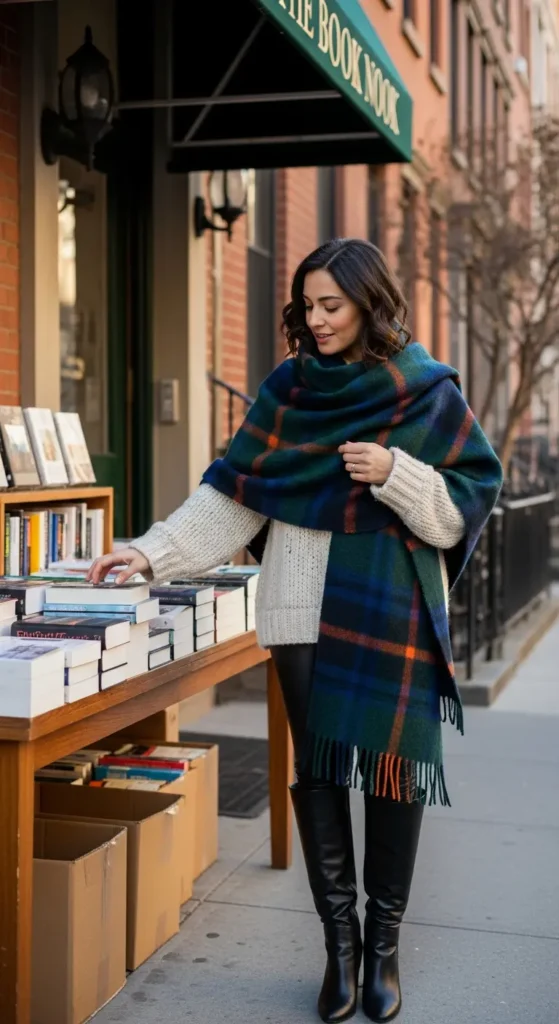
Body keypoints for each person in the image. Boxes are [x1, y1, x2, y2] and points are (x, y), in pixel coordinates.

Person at [89, 238, 503, 1024]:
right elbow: (234, 497)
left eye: (330, 305)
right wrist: (148, 553)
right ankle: (338, 948)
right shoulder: (288, 390)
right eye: (306, 305)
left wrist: (396, 473)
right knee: (318, 776)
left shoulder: (426, 392)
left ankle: (383, 948)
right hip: (299, 607)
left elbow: (456, 515)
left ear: (368, 303)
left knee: (391, 775)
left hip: (392, 611)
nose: (315, 320)